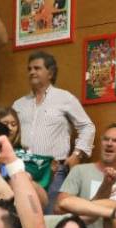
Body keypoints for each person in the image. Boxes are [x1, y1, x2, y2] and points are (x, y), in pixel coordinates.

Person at [9, 51, 93, 206]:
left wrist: (77, 154)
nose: (32, 72)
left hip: (54, 171)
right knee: (23, 215)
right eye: (29, 69)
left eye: (37, 68)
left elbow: (87, 126)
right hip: (23, 171)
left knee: (50, 216)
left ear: (51, 73)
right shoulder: (18, 104)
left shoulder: (64, 98)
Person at [55, 123, 116, 228]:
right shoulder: (80, 171)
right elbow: (58, 209)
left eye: (115, 141)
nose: (109, 143)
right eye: (106, 139)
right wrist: (105, 188)